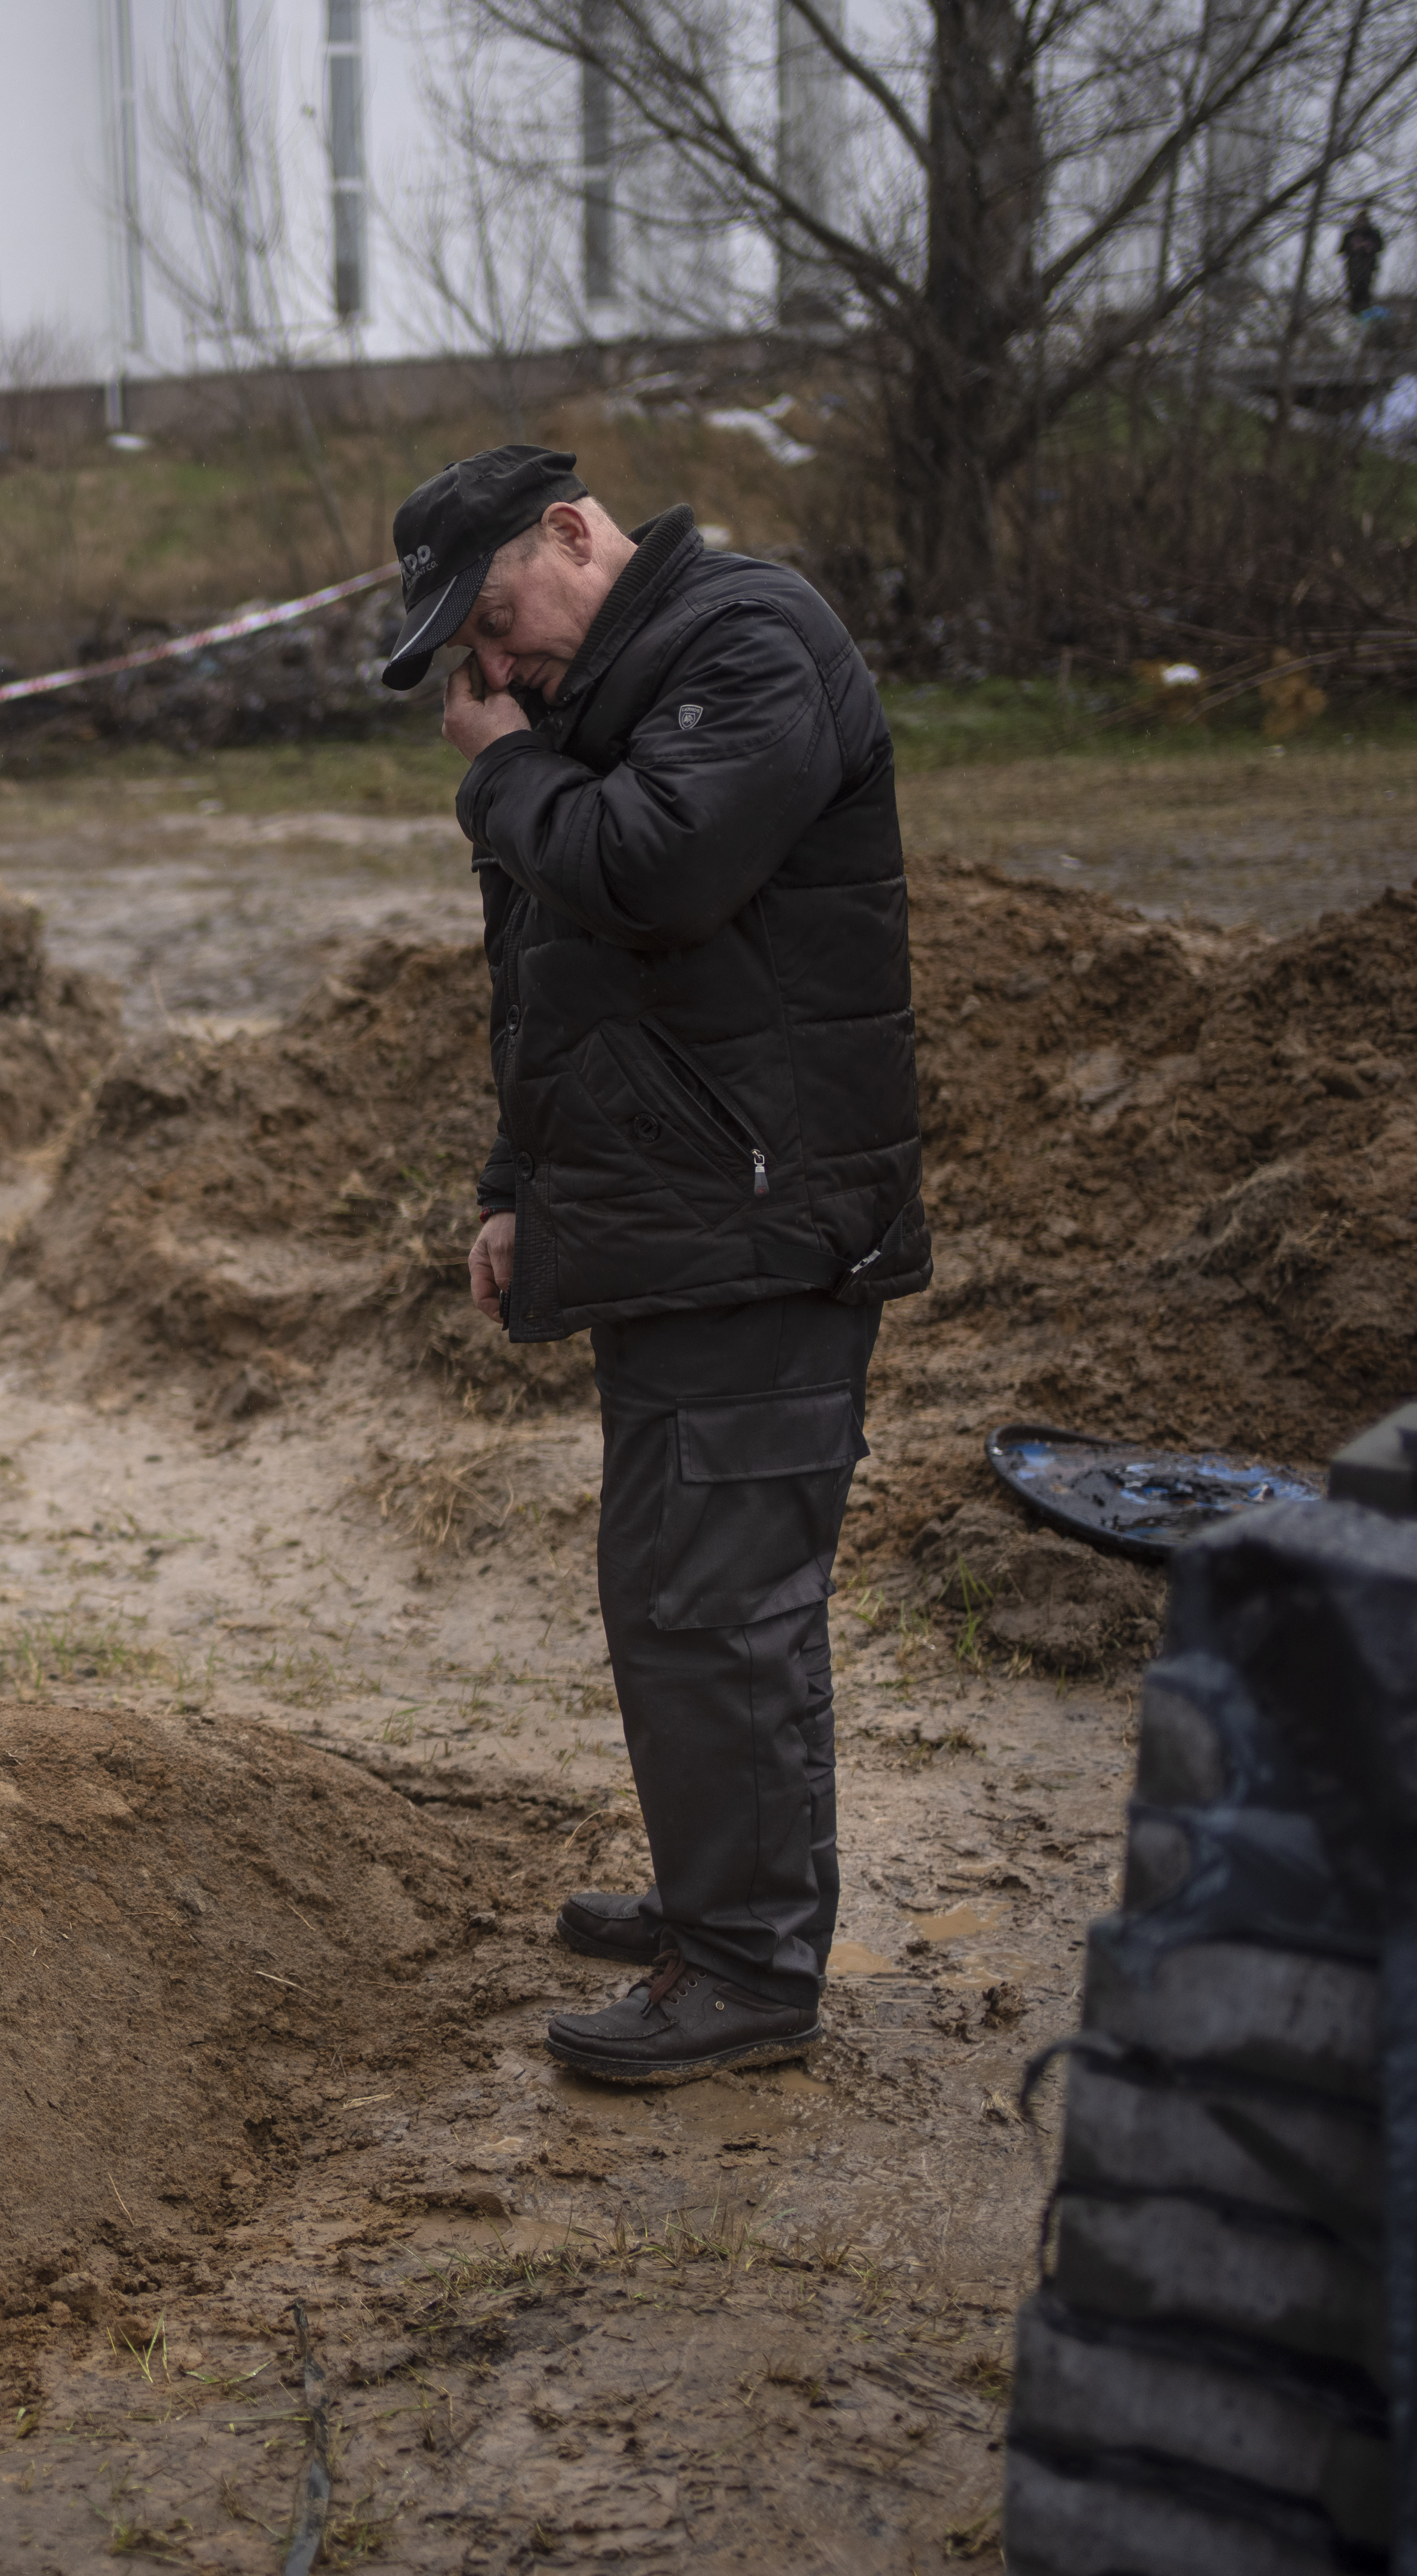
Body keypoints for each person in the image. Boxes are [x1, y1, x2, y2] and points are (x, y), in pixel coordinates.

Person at [377, 445, 931, 2085]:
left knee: (717, 1608)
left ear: (571, 532)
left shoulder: (747, 642)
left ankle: (749, 1970)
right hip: (681, 1221)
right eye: (472, 662)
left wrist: (498, 775)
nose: (491, 672)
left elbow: (660, 871)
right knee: (672, 1596)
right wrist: (510, 1186)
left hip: (759, 1226)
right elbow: (555, 973)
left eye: (492, 622)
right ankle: (719, 1897)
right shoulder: (609, 700)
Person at [1338, 203, 1385, 316]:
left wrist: (1369, 247)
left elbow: (1380, 247)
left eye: (1363, 220)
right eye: (1359, 220)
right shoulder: (1350, 235)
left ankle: (1365, 315)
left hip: (1368, 268)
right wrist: (1353, 247)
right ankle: (1353, 315)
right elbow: (1342, 250)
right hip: (1353, 269)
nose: (1361, 222)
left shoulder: (1373, 234)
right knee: (1353, 294)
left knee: (1365, 294)